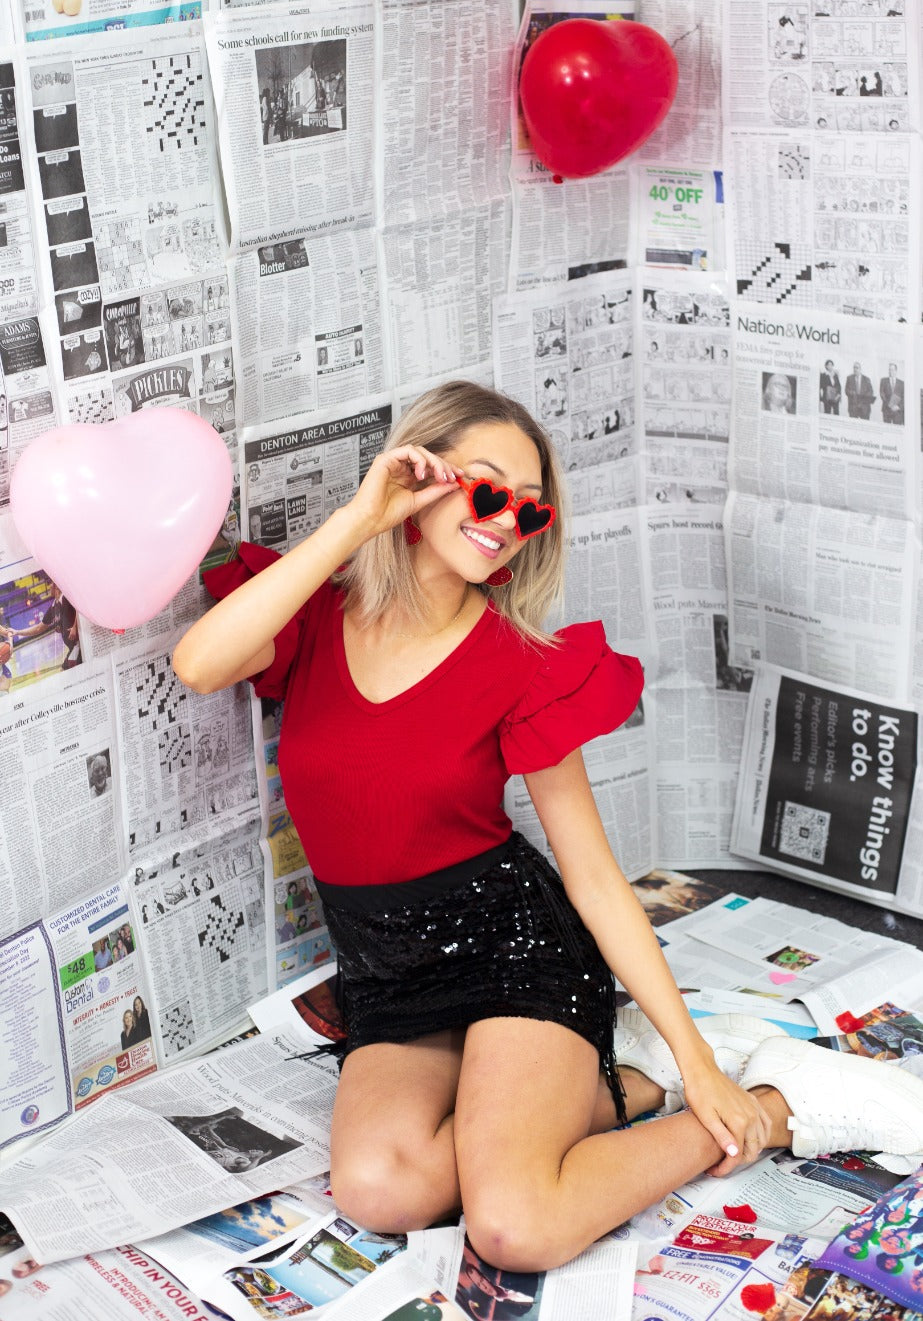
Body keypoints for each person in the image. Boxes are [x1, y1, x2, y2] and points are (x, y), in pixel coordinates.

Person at [172, 380, 923, 1274]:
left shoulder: (522, 667)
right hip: (389, 972)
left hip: (514, 952)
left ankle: (765, 1105)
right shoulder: (314, 616)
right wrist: (360, 518)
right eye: (486, 488)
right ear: (421, 479)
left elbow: (597, 879)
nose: (504, 520)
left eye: (528, 508)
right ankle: (629, 1083)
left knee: (513, 1227)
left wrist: (700, 1056)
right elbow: (198, 662)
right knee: (380, 1190)